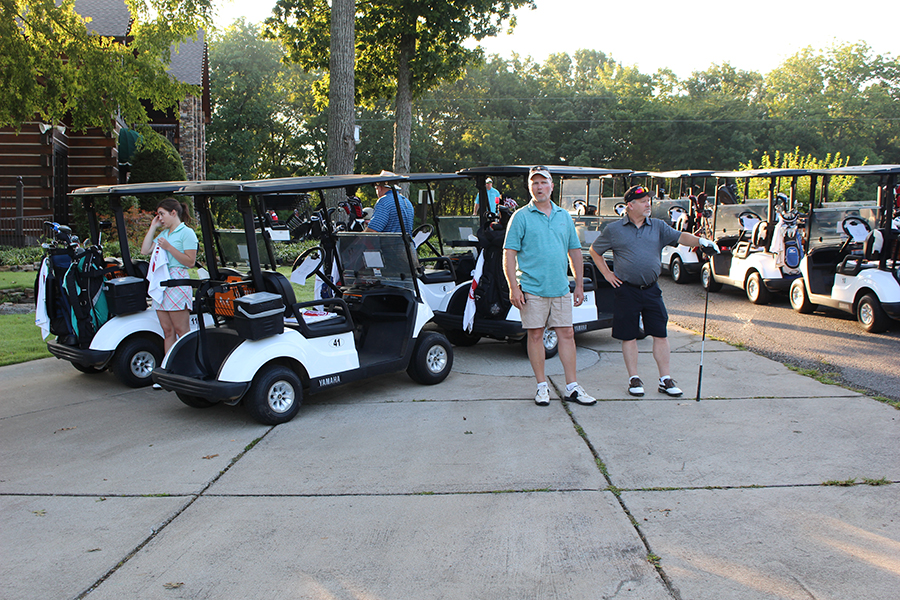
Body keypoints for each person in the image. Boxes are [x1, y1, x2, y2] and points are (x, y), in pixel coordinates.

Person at [589, 185, 718, 397]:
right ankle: (634, 378)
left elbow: (680, 237)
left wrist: (701, 241)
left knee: (660, 333)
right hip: (626, 290)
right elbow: (595, 251)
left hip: (651, 289)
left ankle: (665, 379)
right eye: (643, 201)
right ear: (630, 205)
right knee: (629, 336)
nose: (648, 204)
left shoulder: (657, 226)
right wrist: (607, 274)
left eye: (649, 200)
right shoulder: (614, 229)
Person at [503, 166, 596, 407]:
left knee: (567, 334)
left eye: (543, 182)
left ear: (552, 186)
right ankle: (542, 386)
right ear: (529, 187)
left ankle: (572, 387)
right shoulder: (521, 217)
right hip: (532, 288)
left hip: (561, 288)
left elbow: (574, 251)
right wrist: (513, 287)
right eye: (534, 183)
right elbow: (509, 253)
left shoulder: (564, 216)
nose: (539, 187)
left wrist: (578, 285)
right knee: (535, 335)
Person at [141, 198, 198, 388]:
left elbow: (190, 262)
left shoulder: (186, 233)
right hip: (162, 282)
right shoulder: (164, 233)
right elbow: (145, 250)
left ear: (174, 213)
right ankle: (169, 370)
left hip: (177, 282)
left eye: (162, 214)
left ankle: (187, 368)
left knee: (182, 330)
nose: (160, 218)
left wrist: (169, 248)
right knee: (167, 331)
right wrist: (153, 227)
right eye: (158, 215)